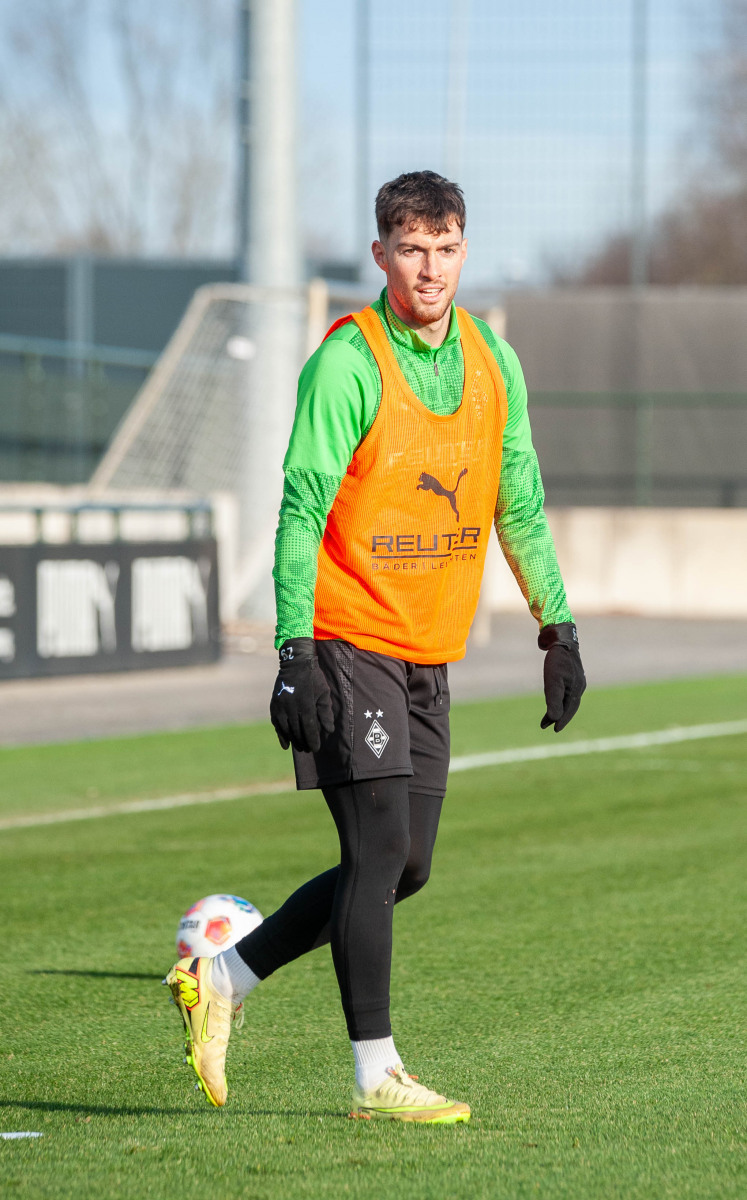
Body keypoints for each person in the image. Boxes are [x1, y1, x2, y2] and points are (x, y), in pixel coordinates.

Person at [166, 170, 586, 1123]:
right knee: (379, 844)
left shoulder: (493, 363)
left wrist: (556, 627)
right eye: (411, 249)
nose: (429, 268)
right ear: (380, 256)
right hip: (347, 638)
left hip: (427, 649)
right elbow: (301, 510)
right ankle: (374, 1073)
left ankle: (223, 978)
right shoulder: (347, 362)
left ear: (464, 251)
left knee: (406, 867)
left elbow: (518, 502)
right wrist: (293, 651)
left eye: (445, 249)